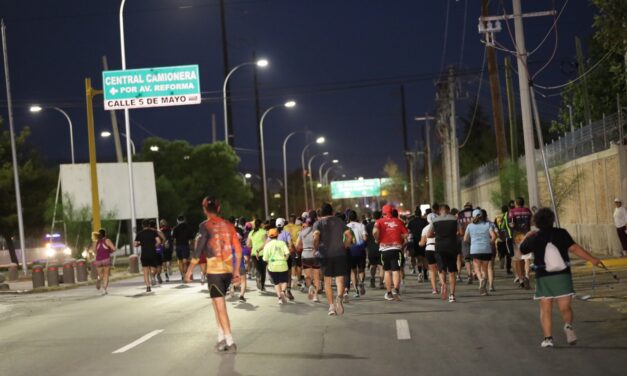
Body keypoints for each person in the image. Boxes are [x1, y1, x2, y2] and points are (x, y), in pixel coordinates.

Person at [520, 207, 603, 348]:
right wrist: (593, 259)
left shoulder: (535, 236)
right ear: (552, 220)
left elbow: (523, 249)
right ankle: (568, 326)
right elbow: (575, 249)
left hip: (543, 277)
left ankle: (548, 339)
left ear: (536, 222)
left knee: (545, 309)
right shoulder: (562, 233)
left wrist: (528, 235)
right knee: (565, 307)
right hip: (562, 276)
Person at [185, 196, 242, 353]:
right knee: (217, 305)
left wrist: (189, 271)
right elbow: (238, 250)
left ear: (204, 210)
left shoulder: (205, 226)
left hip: (215, 271)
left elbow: (198, 250)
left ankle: (230, 340)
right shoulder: (229, 226)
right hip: (228, 270)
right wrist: (237, 271)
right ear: (219, 208)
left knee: (219, 306)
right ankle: (220, 338)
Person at [313, 203, 353, 316]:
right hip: (340, 254)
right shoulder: (340, 221)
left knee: (327, 282)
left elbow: (316, 237)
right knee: (340, 280)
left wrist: (315, 248)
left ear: (321, 213)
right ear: (332, 212)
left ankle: (331, 307)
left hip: (325, 255)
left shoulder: (318, 223)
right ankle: (339, 297)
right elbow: (349, 236)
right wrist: (345, 245)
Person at [374, 204, 408, 301]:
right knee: (396, 271)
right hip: (396, 250)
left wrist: (377, 239)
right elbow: (406, 234)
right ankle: (396, 290)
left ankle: (389, 293)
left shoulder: (379, 222)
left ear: (383, 212)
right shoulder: (399, 221)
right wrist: (398, 237)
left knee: (387, 271)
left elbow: (374, 232)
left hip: (384, 251)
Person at [428, 204, 459, 303]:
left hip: (439, 247)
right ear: (448, 210)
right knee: (452, 272)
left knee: (441, 269)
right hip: (451, 247)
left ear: (439, 211)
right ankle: (452, 295)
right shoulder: (455, 219)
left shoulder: (435, 220)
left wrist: (436, 234)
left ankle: (443, 284)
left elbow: (429, 234)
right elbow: (461, 232)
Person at [464, 209, 497, 296]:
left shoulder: (470, 226)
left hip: (475, 249)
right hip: (486, 249)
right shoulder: (488, 224)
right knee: (485, 269)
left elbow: (465, 239)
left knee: (477, 269)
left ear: (473, 216)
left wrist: (472, 241)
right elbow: (494, 236)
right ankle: (484, 289)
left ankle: (480, 279)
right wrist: (489, 242)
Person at [262, 228, 291, 305]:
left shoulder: (267, 245)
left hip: (272, 266)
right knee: (284, 281)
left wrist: (270, 263)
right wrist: (284, 260)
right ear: (277, 235)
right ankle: (283, 291)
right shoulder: (282, 243)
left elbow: (265, 258)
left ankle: (279, 299)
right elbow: (287, 253)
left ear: (269, 236)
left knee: (276, 283)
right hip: (282, 264)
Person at [509, 197, 533, 289]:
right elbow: (532, 222)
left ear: (516, 203)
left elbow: (512, 224)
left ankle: (521, 279)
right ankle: (527, 275)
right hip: (527, 236)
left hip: (517, 237)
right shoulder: (528, 210)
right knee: (527, 258)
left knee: (518, 259)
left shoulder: (512, 211)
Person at [297, 216, 320, 302]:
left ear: (306, 223)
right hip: (316, 255)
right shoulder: (317, 232)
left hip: (305, 255)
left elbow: (297, 245)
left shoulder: (302, 232)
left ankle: (310, 286)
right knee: (316, 277)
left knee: (307, 276)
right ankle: (315, 296)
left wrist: (305, 245)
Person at [134, 220, 161, 293]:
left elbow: (135, 244)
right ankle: (152, 275)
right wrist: (154, 245)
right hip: (152, 253)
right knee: (154, 268)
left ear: (142, 225)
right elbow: (159, 241)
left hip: (144, 255)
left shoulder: (139, 234)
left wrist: (140, 244)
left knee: (145, 272)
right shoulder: (153, 232)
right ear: (149, 225)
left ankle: (148, 287)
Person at [347, 210, 368, 298]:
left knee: (353, 271)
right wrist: (361, 244)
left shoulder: (346, 226)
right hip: (360, 250)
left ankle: (356, 290)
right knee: (361, 269)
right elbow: (365, 238)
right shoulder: (361, 225)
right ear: (356, 217)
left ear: (348, 218)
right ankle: (362, 283)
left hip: (350, 251)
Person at [275, 218, 296, 300]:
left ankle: (280, 292)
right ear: (283, 225)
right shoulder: (286, 233)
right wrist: (291, 250)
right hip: (286, 257)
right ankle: (288, 290)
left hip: (276, 257)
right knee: (288, 274)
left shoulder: (273, 233)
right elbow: (290, 244)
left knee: (279, 274)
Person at [407, 206, 429, 282]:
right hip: (424, 241)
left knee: (418, 259)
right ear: (420, 214)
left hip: (415, 242)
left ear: (415, 214)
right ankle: (425, 274)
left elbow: (409, 232)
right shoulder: (425, 221)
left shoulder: (411, 222)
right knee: (425, 258)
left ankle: (420, 273)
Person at [419, 213, 439, 294]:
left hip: (429, 249)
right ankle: (442, 284)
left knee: (432, 270)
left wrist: (419, 243)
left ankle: (434, 289)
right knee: (441, 269)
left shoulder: (425, 229)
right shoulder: (440, 227)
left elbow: (422, 243)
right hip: (439, 248)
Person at [93, 229, 115, 295]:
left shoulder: (95, 242)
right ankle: (104, 289)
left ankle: (99, 278)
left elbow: (94, 251)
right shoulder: (107, 240)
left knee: (101, 275)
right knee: (106, 275)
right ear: (105, 234)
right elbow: (114, 248)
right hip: (106, 260)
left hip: (98, 260)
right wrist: (109, 251)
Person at [247, 219, 267, 292]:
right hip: (262, 253)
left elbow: (248, 245)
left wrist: (254, 245)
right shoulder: (263, 232)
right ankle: (262, 286)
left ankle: (257, 274)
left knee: (257, 268)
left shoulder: (251, 233)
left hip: (254, 253)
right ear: (261, 224)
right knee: (263, 270)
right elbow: (266, 243)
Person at [284, 214, 304, 288]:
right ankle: (298, 280)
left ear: (289, 220)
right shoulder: (299, 227)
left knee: (291, 264)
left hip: (288, 248)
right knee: (298, 264)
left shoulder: (284, 228)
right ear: (295, 220)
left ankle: (293, 279)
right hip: (297, 248)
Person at [365, 211, 384, 289]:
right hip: (381, 248)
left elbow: (365, 238)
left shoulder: (367, 226)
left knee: (373, 265)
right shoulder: (382, 225)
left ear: (372, 216)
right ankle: (381, 283)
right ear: (380, 216)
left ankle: (372, 278)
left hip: (371, 249)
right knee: (381, 266)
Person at [173, 216, 194, 281]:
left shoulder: (175, 228)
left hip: (178, 246)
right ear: (184, 220)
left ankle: (183, 275)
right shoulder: (188, 227)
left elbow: (174, 239)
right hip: (185, 245)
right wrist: (191, 246)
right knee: (185, 261)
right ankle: (186, 275)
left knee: (180, 261)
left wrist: (175, 246)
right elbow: (191, 239)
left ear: (177, 221)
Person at [458, 202, 475, 284]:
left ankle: (469, 274)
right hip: (475, 237)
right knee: (475, 257)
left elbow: (460, 228)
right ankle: (475, 272)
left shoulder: (460, 215)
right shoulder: (475, 213)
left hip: (464, 238)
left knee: (467, 259)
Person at [495, 205, 514, 275]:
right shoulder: (509, 216)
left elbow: (495, 226)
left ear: (501, 210)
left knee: (501, 251)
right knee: (508, 254)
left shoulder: (497, 217)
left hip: (500, 238)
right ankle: (508, 269)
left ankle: (501, 258)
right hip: (507, 236)